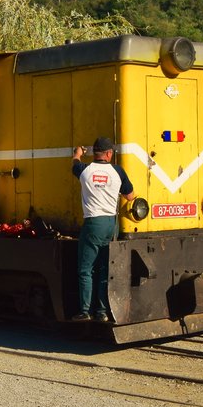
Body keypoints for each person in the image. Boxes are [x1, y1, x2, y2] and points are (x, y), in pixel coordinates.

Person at [71, 136, 135, 323]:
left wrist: (78, 153)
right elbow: (130, 196)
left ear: (95, 153)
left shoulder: (84, 170)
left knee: (85, 269)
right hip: (110, 224)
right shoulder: (117, 171)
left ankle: (84, 310)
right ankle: (102, 311)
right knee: (104, 268)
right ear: (109, 154)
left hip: (93, 223)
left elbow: (75, 163)